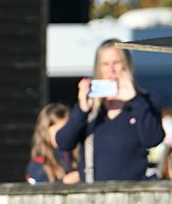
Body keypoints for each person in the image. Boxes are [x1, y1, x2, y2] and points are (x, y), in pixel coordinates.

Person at [55, 38, 164, 182]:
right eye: (105, 64)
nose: (111, 69)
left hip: (132, 190)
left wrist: (135, 99)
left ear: (127, 65)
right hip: (94, 189)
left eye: (116, 63)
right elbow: (64, 142)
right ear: (98, 68)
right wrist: (82, 109)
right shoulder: (92, 106)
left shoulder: (145, 101)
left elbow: (153, 139)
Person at [25, 103, 79, 184]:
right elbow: (39, 190)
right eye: (59, 131)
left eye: (67, 130)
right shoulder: (37, 166)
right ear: (45, 132)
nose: (65, 135)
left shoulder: (77, 155)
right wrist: (64, 182)